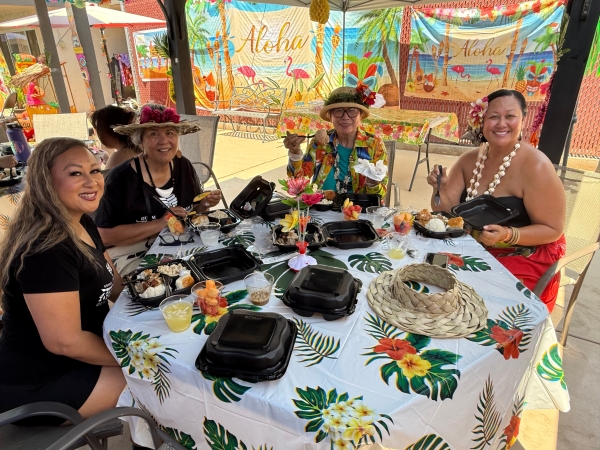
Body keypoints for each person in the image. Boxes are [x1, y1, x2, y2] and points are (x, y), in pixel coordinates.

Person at [0, 137, 125, 425]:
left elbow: (114, 283)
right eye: (75, 173)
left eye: (95, 170)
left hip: (80, 359)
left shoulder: (81, 221)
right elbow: (65, 342)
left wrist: (157, 292)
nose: (92, 182)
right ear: (46, 182)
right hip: (38, 385)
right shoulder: (46, 250)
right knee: (159, 382)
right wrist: (129, 358)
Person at [427, 89, 566, 311]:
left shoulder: (536, 166)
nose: (501, 124)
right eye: (493, 116)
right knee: (429, 273)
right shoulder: (469, 160)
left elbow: (553, 229)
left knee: (473, 305)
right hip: (471, 247)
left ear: (522, 120)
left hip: (521, 254)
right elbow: (445, 212)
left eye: (510, 116)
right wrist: (439, 189)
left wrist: (508, 235)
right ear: (481, 121)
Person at [94, 103, 221, 275]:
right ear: (140, 140)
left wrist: (204, 205)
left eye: (170, 132)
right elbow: (103, 236)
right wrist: (161, 223)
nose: (164, 141)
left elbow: (192, 213)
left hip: (180, 242)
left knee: (216, 266)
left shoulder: (184, 165)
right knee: (168, 281)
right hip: (132, 252)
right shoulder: (120, 178)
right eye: (154, 134)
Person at [284, 84, 388, 198]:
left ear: (360, 115)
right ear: (330, 116)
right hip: (322, 205)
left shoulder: (374, 144)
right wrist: (295, 153)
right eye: (338, 111)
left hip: (359, 208)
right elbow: (298, 185)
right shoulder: (320, 143)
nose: (345, 117)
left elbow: (380, 196)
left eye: (352, 111)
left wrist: (373, 183)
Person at [91, 105, 140, 169]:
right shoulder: (136, 149)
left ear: (109, 131)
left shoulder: (117, 157)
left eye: (99, 130)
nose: (98, 135)